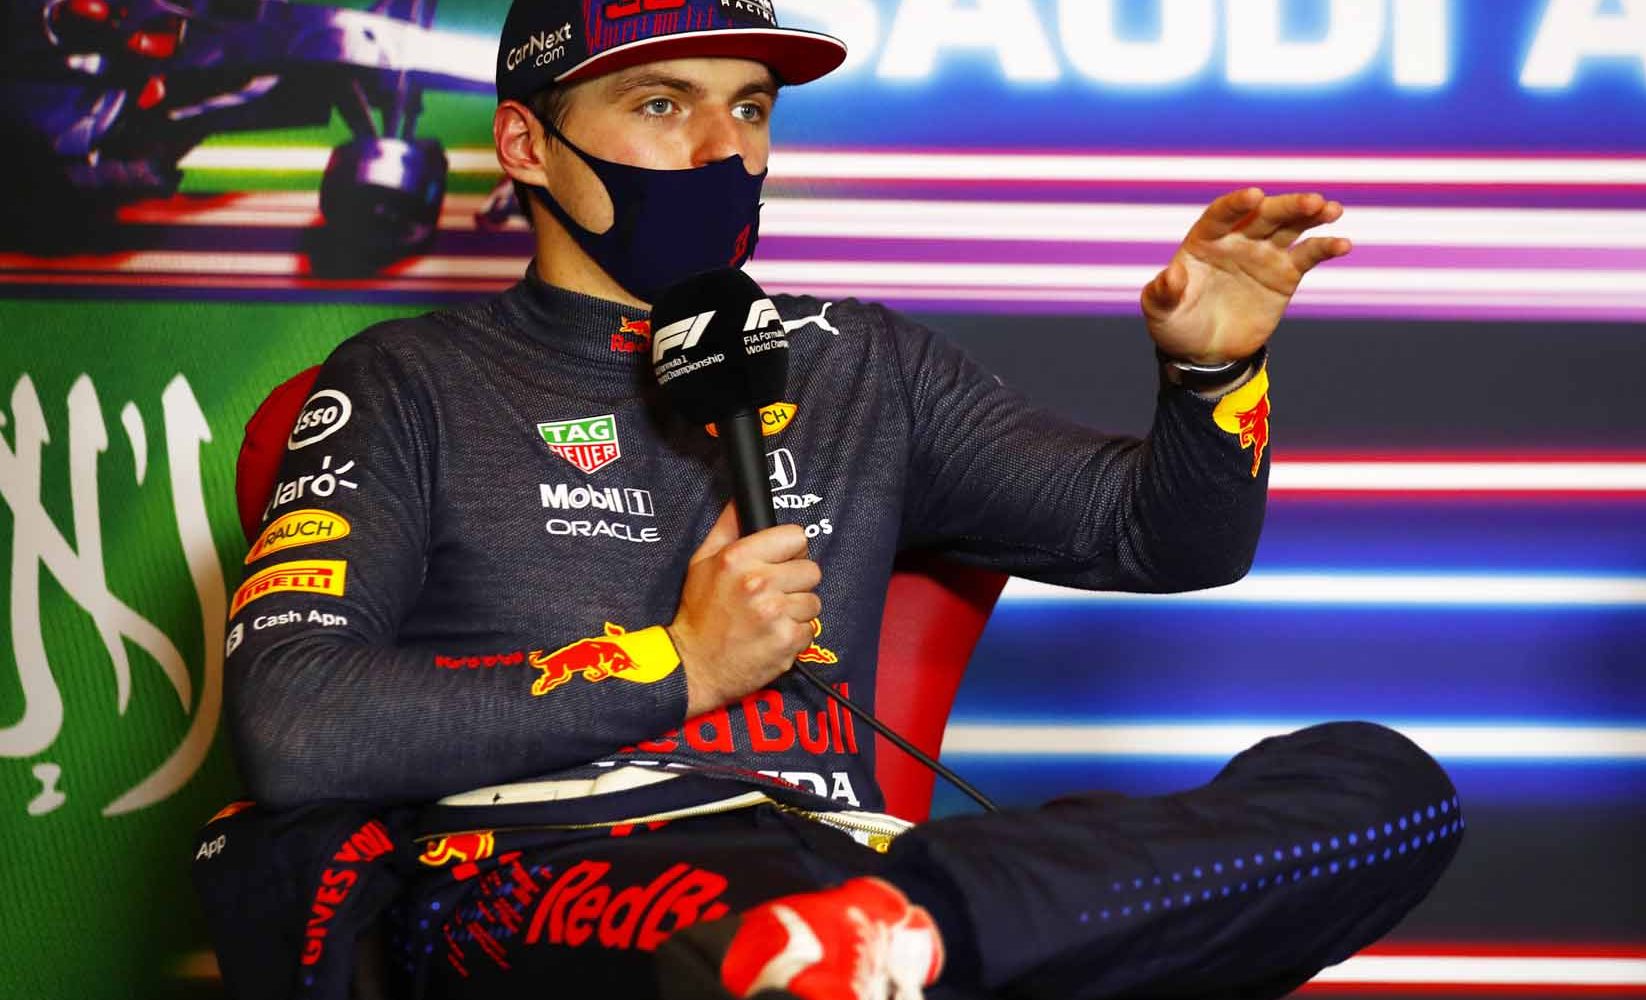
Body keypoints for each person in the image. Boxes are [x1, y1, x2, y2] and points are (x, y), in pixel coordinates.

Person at [198, 2, 1462, 998]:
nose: (723, 151)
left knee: (1384, 783)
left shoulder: (861, 364)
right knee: (790, 915)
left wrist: (1212, 374)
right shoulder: (406, 379)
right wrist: (677, 664)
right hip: (552, 878)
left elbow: (1167, 538)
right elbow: (299, 725)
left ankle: (889, 949)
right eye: (661, 103)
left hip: (858, 871)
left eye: (750, 109)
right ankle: (900, 950)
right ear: (527, 144)